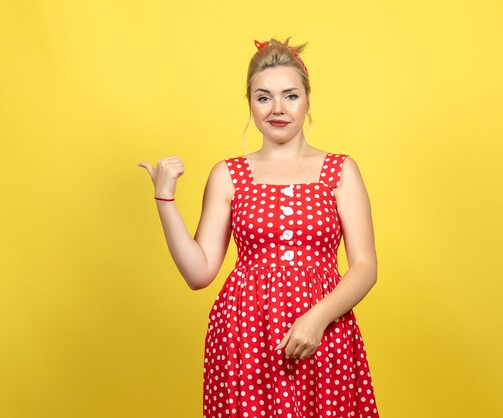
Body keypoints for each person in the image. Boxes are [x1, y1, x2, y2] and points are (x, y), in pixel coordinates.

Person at [137, 36, 379, 418]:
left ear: (307, 101)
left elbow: (365, 266)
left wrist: (317, 318)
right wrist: (164, 199)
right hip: (244, 337)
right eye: (263, 97)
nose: (277, 109)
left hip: (325, 333)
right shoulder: (228, 175)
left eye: (290, 96)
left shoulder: (341, 171)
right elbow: (199, 273)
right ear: (249, 104)